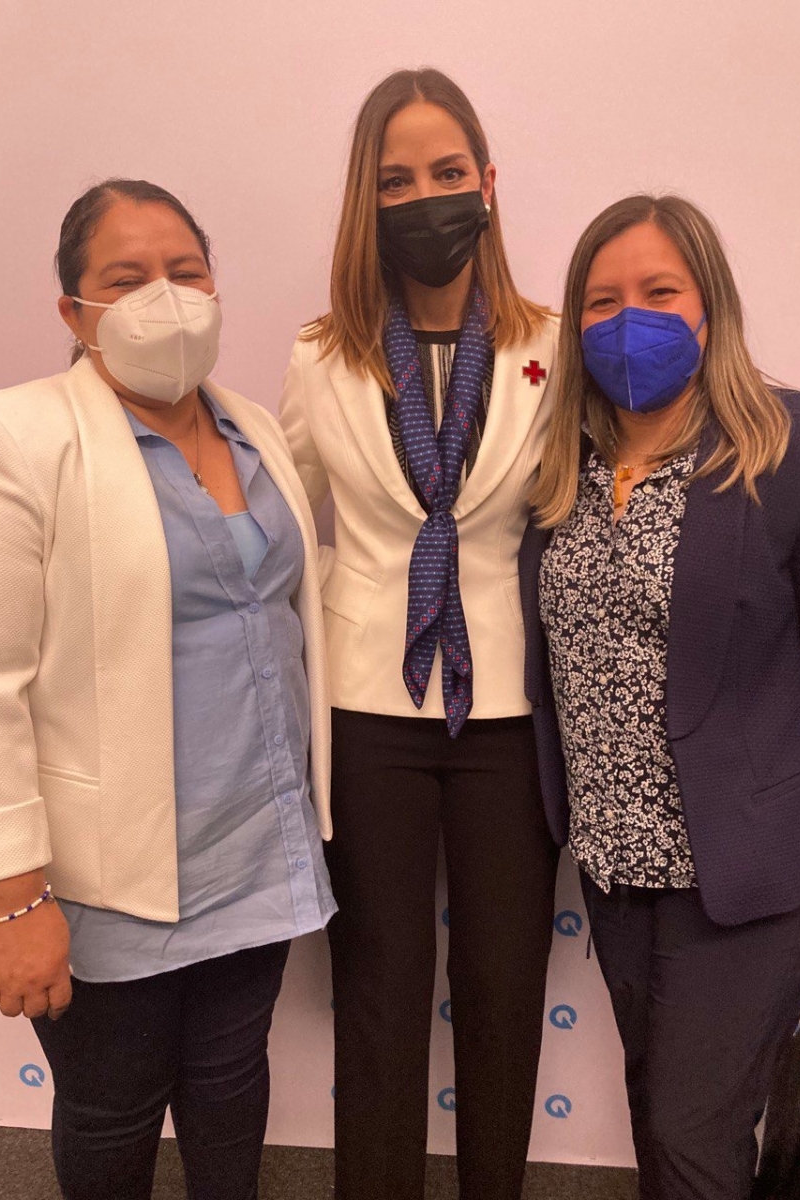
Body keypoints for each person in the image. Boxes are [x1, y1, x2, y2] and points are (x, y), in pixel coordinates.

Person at [0, 179, 336, 1200]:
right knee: (112, 1108)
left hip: (255, 847)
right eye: (127, 279)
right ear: (74, 312)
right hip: (107, 875)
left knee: (231, 1083)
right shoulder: (15, 439)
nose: (164, 298)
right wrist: (8, 897)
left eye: (185, 271)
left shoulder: (254, 428)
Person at [519, 193, 800, 1200]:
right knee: (670, 1118)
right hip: (616, 864)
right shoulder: (562, 472)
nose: (628, 318)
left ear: (710, 308)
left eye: (659, 291)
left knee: (688, 1130)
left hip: (754, 864)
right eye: (601, 301)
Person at [279, 69, 563, 1200]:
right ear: (367, 198)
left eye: (447, 173)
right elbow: (282, 529)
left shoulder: (555, 348)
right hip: (368, 705)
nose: (425, 198)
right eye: (396, 181)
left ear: (487, 183)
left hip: (509, 709)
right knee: (381, 987)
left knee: (504, 985)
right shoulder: (319, 354)